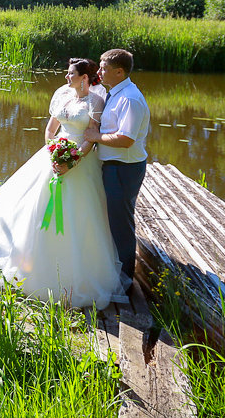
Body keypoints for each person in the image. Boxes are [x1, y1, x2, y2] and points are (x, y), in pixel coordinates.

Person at [0, 58, 126, 309]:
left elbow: (91, 137)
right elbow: (50, 131)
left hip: (80, 161)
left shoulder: (96, 101)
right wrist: (54, 153)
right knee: (33, 207)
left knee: (80, 216)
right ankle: (32, 263)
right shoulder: (62, 95)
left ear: (84, 78)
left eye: (70, 74)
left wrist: (72, 160)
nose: (66, 78)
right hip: (53, 157)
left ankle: (72, 275)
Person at [84, 48, 149, 288]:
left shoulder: (130, 99)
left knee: (121, 223)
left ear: (119, 72)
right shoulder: (115, 92)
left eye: (103, 68)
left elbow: (126, 139)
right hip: (114, 165)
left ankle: (124, 281)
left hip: (124, 168)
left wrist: (95, 136)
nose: (99, 72)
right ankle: (115, 269)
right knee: (113, 218)